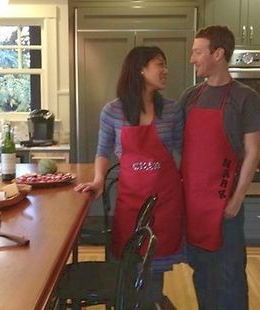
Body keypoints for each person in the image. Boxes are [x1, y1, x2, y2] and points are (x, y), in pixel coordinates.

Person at [75, 46, 184, 309]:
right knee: (128, 260)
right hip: (131, 200)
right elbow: (102, 152)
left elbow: (185, 151)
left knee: (155, 265)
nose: (165, 70)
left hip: (165, 199)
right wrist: (99, 179)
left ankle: (151, 301)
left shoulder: (172, 110)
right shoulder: (112, 111)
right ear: (140, 69)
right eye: (160, 64)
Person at [179, 25, 260, 309]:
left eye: (197, 52)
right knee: (202, 272)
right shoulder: (190, 97)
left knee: (230, 275)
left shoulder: (245, 98)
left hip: (225, 202)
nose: (192, 59)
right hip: (194, 203)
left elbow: (253, 152)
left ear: (218, 53)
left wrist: (237, 199)